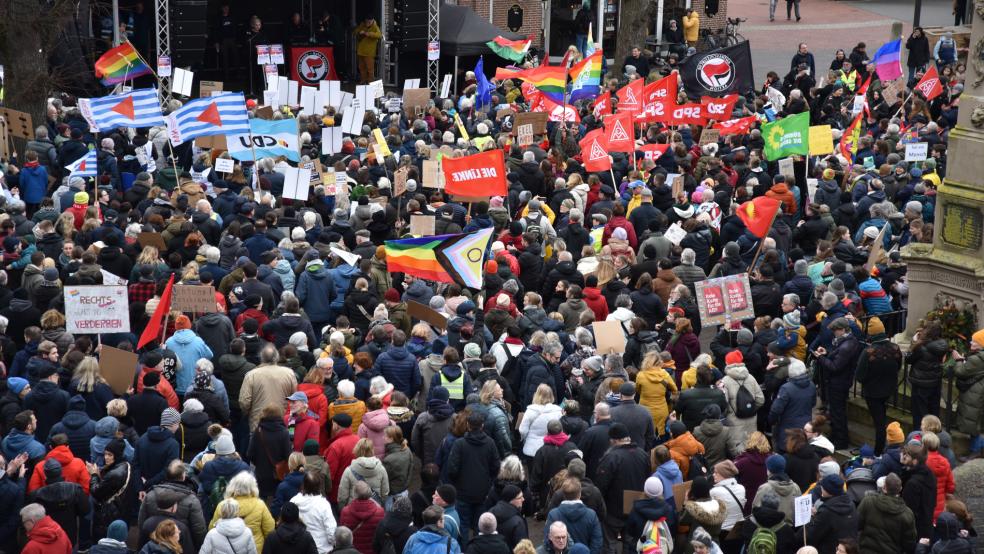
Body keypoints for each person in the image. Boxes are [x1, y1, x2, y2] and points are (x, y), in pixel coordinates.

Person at [594, 423, 650, 552]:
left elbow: (601, 485)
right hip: (635, 508)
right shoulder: (643, 454)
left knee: (609, 543)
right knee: (630, 543)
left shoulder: (611, 457)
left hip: (613, 510)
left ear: (614, 440)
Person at [855, 317, 902, 455]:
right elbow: (898, 366)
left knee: (879, 424)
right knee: (881, 419)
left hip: (873, 392)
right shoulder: (895, 348)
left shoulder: (868, 352)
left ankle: (878, 452)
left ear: (871, 334)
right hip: (889, 389)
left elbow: (859, 375)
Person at [210, 471, 275, 552]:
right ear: (253, 487)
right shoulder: (260, 505)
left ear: (232, 486)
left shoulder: (222, 505)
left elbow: (212, 529)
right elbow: (270, 530)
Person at [857, 473, 917, 554]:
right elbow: (909, 543)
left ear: (884, 488)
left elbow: (857, 525)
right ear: (900, 489)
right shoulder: (907, 514)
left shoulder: (868, 502)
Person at [805, 474, 858, 554]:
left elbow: (811, 536)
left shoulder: (827, 511)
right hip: (846, 549)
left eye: (822, 488)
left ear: (828, 491)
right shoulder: (851, 504)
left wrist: (813, 517)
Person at [292, 471, 338, 553]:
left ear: (304, 485)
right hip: (321, 549)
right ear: (319, 486)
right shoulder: (323, 504)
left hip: (300, 548)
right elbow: (331, 531)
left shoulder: (293, 501)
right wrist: (334, 543)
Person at [354, 16, 382, 84]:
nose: (367, 23)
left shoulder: (375, 27)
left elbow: (379, 35)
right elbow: (355, 32)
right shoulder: (362, 25)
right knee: (361, 68)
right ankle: (363, 80)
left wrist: (369, 34)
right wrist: (359, 32)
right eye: (366, 21)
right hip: (361, 51)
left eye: (369, 22)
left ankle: (370, 83)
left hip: (369, 52)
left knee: (370, 69)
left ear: (372, 21)